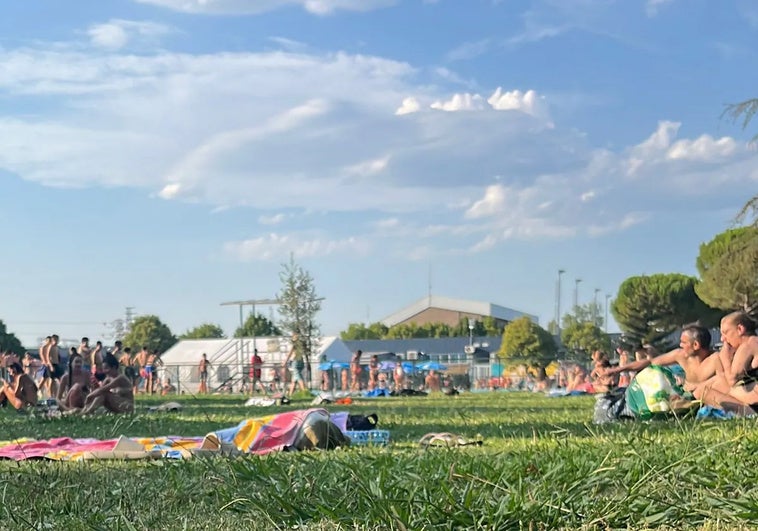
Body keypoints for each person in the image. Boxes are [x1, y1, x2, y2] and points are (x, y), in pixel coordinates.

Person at [604, 325, 719, 393]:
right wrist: (617, 370)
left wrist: (696, 387)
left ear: (696, 345)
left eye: (684, 342)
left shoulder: (715, 359)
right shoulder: (680, 355)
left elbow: (725, 381)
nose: (680, 345)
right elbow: (650, 362)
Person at [694, 312, 758, 415]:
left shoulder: (747, 345)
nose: (722, 339)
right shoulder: (754, 342)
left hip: (754, 397)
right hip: (752, 391)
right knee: (711, 384)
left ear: (740, 329)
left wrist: (725, 358)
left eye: (726, 332)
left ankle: (749, 414)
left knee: (703, 392)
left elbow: (732, 380)